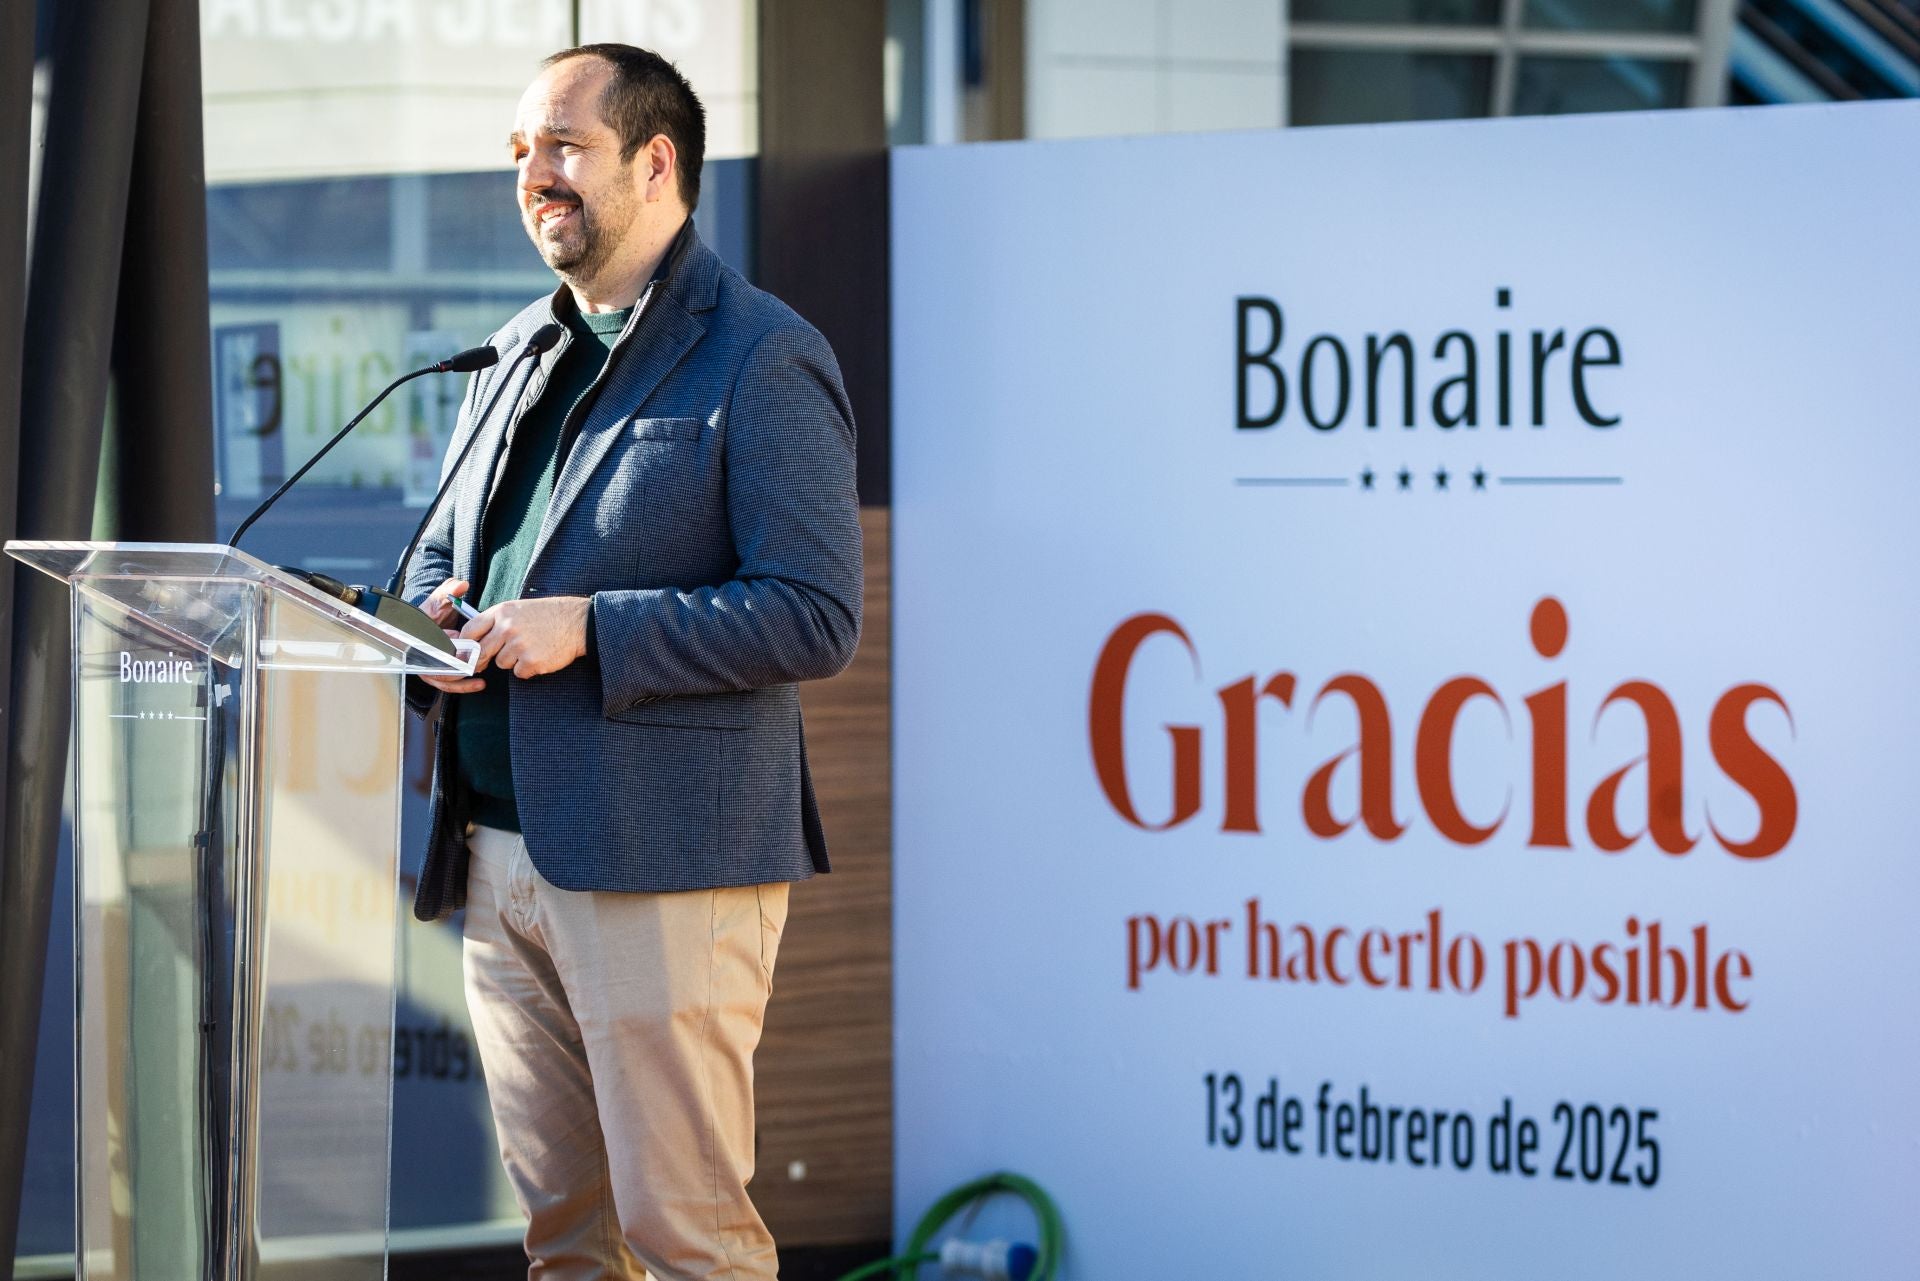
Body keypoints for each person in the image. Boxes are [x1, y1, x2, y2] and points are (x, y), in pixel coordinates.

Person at [399, 42, 862, 1281]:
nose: (532, 176)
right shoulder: (508, 355)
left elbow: (814, 614)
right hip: (498, 853)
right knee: (564, 1243)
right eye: (519, 153)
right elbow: (440, 559)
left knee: (688, 1237)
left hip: (666, 866)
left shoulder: (761, 355)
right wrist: (428, 627)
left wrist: (593, 625)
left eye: (562, 146)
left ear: (657, 163)